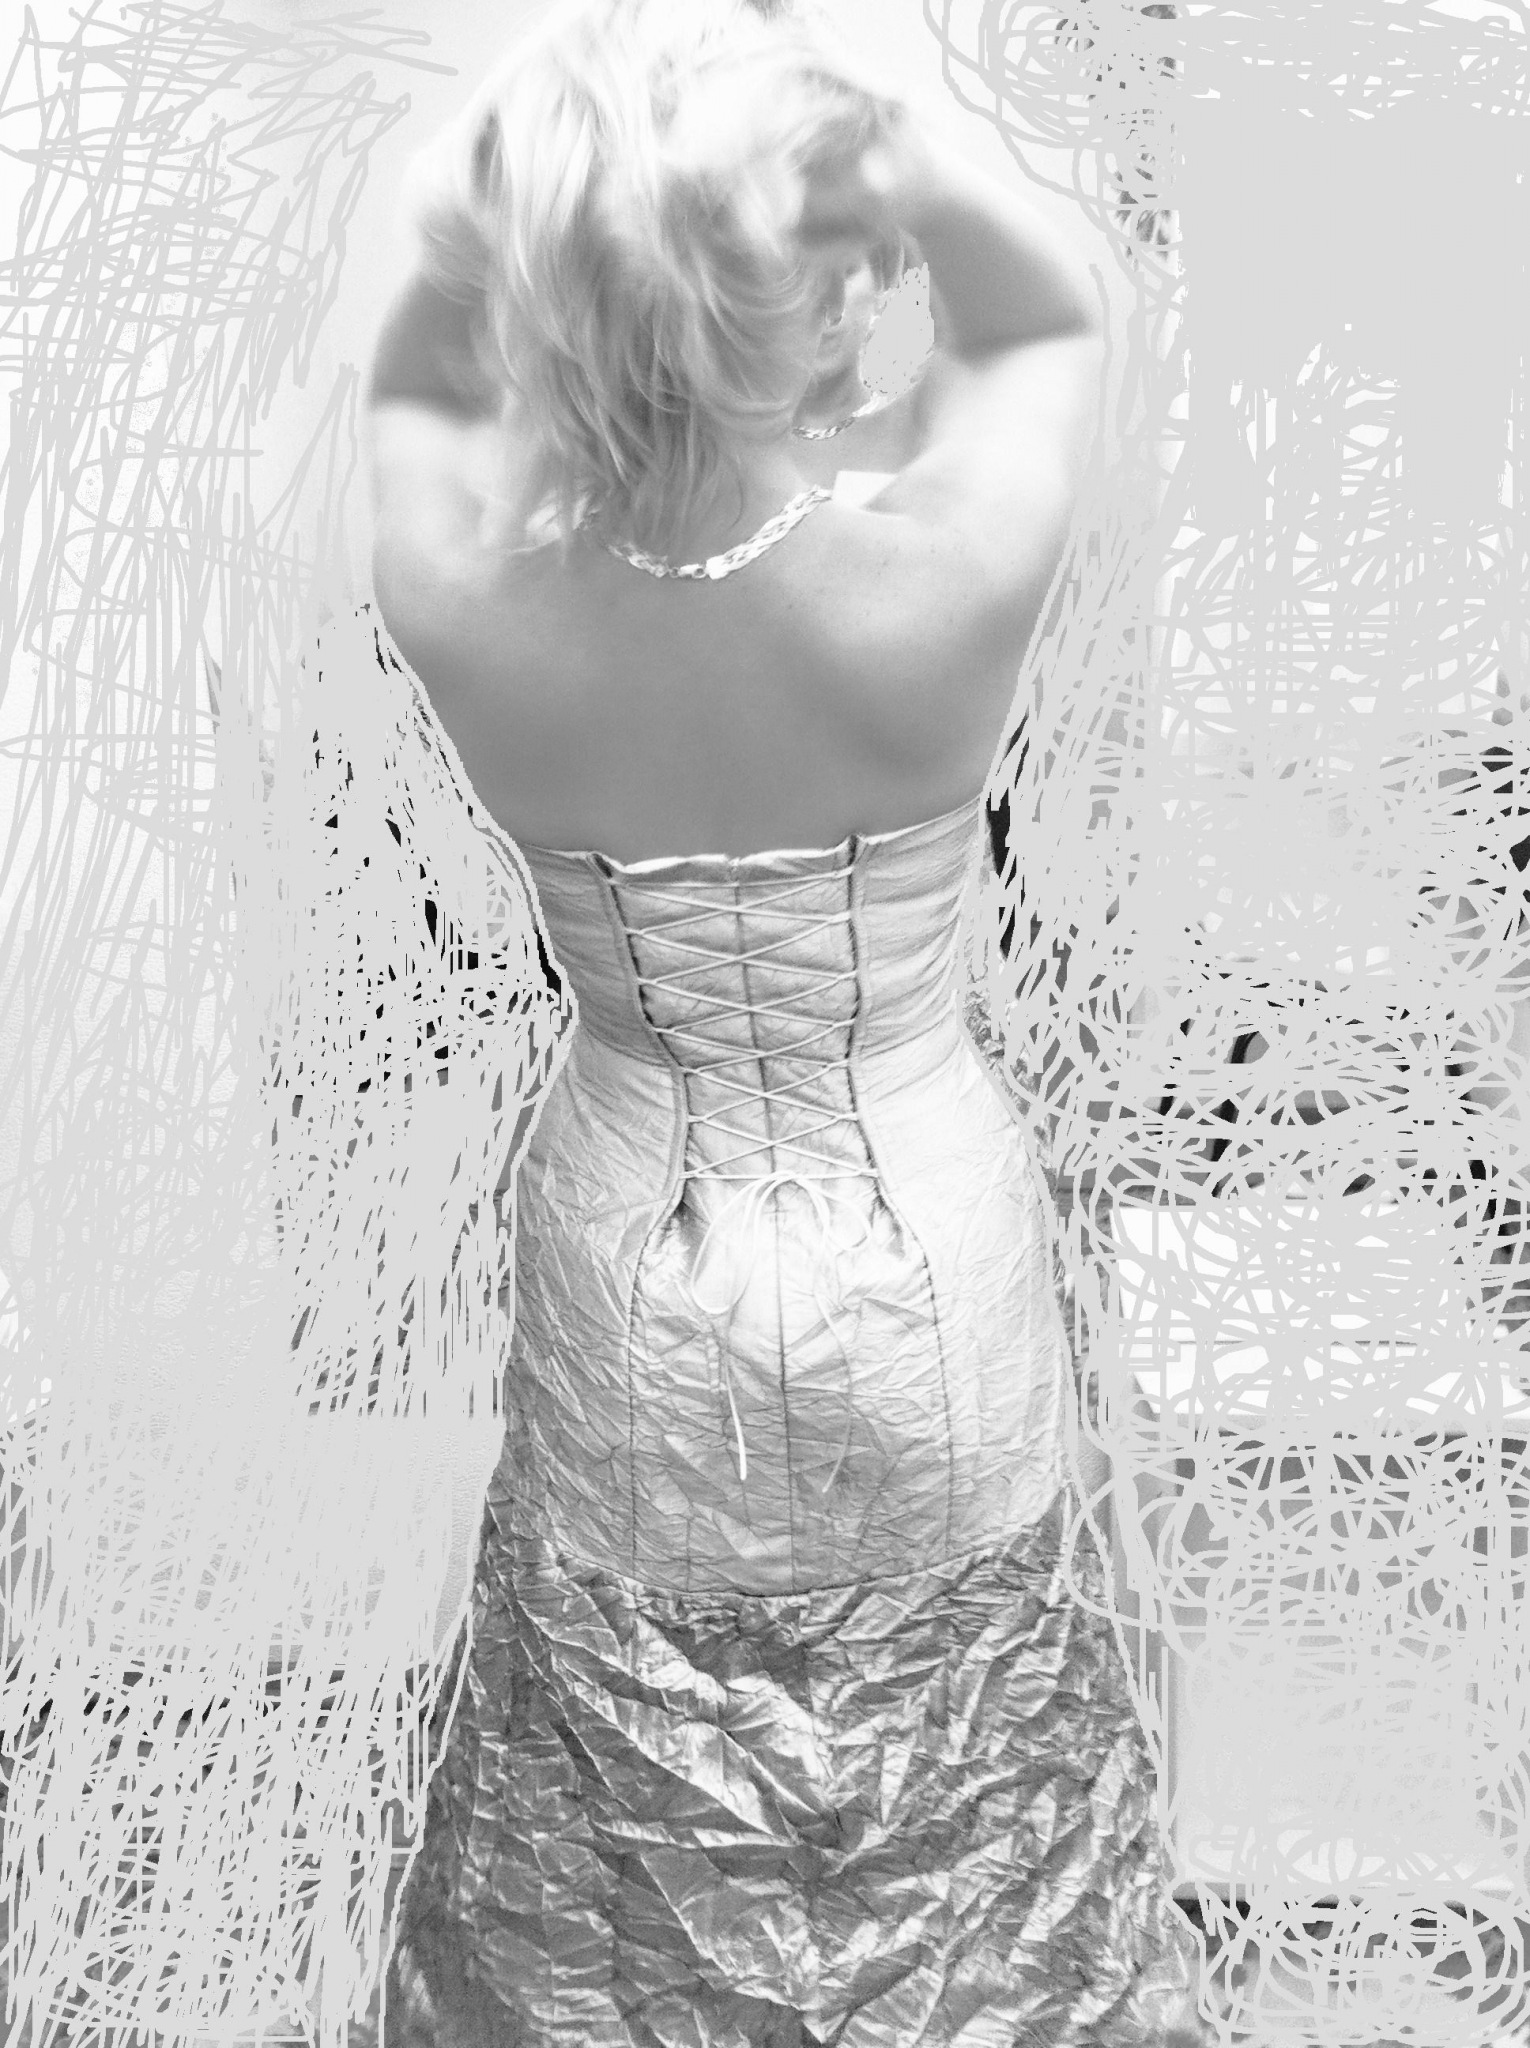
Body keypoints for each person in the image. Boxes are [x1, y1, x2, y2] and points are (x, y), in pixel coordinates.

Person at [358, 0, 1212, 2040]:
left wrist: (565, 166)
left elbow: (417, 350)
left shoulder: (459, 589)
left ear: (544, 298)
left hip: (625, 1269)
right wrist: (855, 120)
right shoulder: (942, 578)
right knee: (964, 1765)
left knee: (632, 1784)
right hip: (930, 1258)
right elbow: (1046, 313)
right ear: (817, 312)